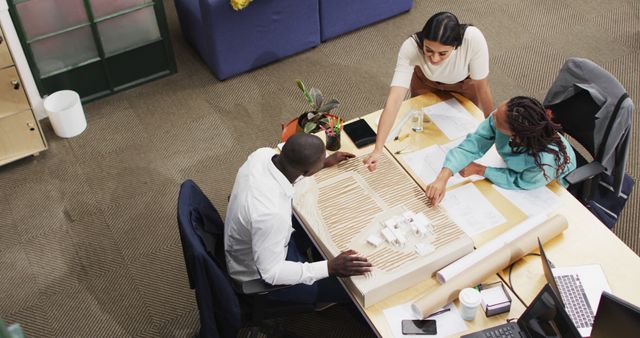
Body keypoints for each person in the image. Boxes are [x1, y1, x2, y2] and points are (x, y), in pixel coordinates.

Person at [224, 133, 372, 304]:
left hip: (255, 241)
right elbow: (271, 273)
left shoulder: (262, 154)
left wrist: (323, 164)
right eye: (320, 160)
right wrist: (330, 268)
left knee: (314, 226)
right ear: (307, 171)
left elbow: (287, 170)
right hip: (256, 277)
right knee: (350, 290)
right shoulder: (271, 214)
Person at [364, 11, 493, 171]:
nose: (435, 58)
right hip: (425, 81)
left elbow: (482, 87)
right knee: (423, 128)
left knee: (463, 129)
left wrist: (492, 127)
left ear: (455, 46)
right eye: (429, 50)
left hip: (463, 85)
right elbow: (394, 99)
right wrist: (378, 149)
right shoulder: (410, 47)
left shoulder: (473, 39)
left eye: (443, 53)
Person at [426, 96, 577, 206]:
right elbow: (473, 144)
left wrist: (480, 170)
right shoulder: (507, 116)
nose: (493, 116)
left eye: (497, 119)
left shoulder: (546, 161)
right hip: (517, 167)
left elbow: (522, 181)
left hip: (548, 183)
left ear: (515, 135)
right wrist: (443, 177)